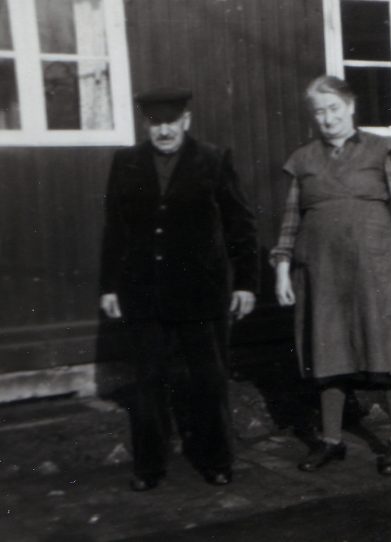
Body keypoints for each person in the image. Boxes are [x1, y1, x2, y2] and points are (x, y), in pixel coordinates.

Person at [99, 87, 259, 491]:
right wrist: (110, 288)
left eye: (171, 122)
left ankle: (217, 460)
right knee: (148, 383)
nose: (164, 130)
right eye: (156, 123)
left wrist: (245, 283)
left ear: (186, 121)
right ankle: (149, 467)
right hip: (144, 294)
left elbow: (240, 224)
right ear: (145, 125)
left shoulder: (213, 160)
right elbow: (115, 230)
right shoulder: (126, 162)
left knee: (208, 381)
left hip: (200, 295)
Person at [271, 75, 391, 475]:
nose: (327, 119)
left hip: (377, 267)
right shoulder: (303, 159)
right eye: (319, 112)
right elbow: (291, 219)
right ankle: (330, 442)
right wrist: (283, 268)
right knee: (329, 350)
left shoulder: (382, 150)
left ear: (350, 107)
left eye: (334, 109)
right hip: (321, 272)